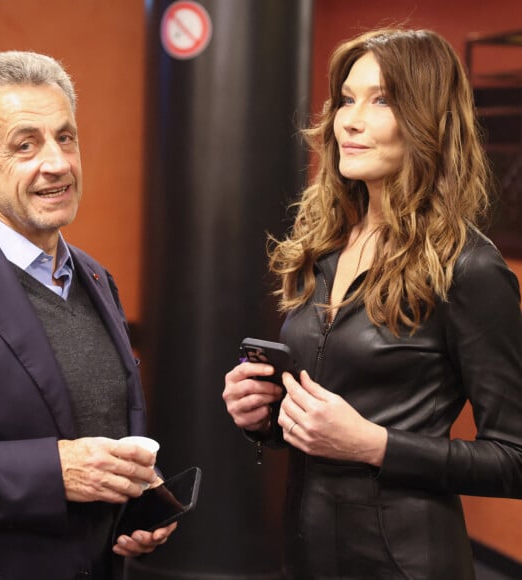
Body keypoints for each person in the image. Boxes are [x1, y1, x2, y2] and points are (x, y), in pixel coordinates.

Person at [223, 28, 522, 579]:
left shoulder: (470, 268)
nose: (350, 121)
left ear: (427, 120)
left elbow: (514, 459)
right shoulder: (324, 246)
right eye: (346, 99)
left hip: (407, 564)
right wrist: (263, 416)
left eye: (380, 100)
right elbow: (327, 412)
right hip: (305, 558)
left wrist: (375, 445)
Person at [0, 51, 176, 580]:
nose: (58, 163)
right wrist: (52, 472)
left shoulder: (94, 278)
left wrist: (135, 503)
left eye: (65, 137)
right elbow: (64, 466)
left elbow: (91, 428)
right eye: (25, 145)